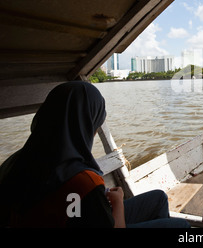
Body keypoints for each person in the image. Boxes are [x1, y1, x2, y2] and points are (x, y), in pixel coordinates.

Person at [0, 81, 189, 228]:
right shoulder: (83, 181)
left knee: (158, 198)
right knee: (181, 226)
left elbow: (70, 211)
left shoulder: (13, 163)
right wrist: (118, 203)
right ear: (85, 123)